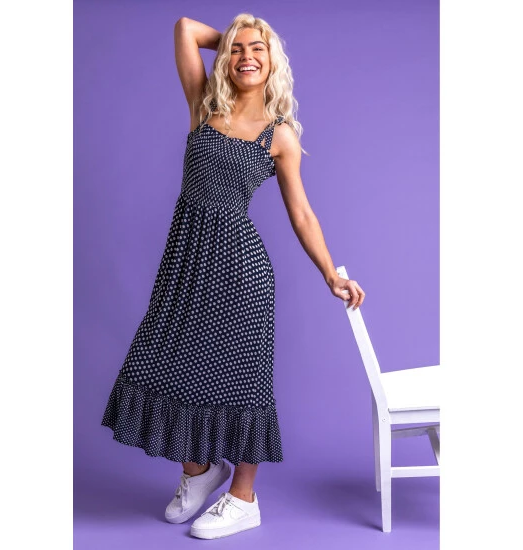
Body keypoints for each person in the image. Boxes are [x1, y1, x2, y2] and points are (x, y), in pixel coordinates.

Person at [101, 13, 365, 540]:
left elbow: (301, 214)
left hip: (241, 272)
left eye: (258, 51)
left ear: (273, 63)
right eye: (239, 50)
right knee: (162, 363)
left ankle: (244, 499)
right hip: (185, 263)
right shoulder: (205, 104)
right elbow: (184, 28)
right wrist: (239, 44)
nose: (247, 57)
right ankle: (201, 471)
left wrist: (329, 273)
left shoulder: (280, 134)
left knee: (244, 382)